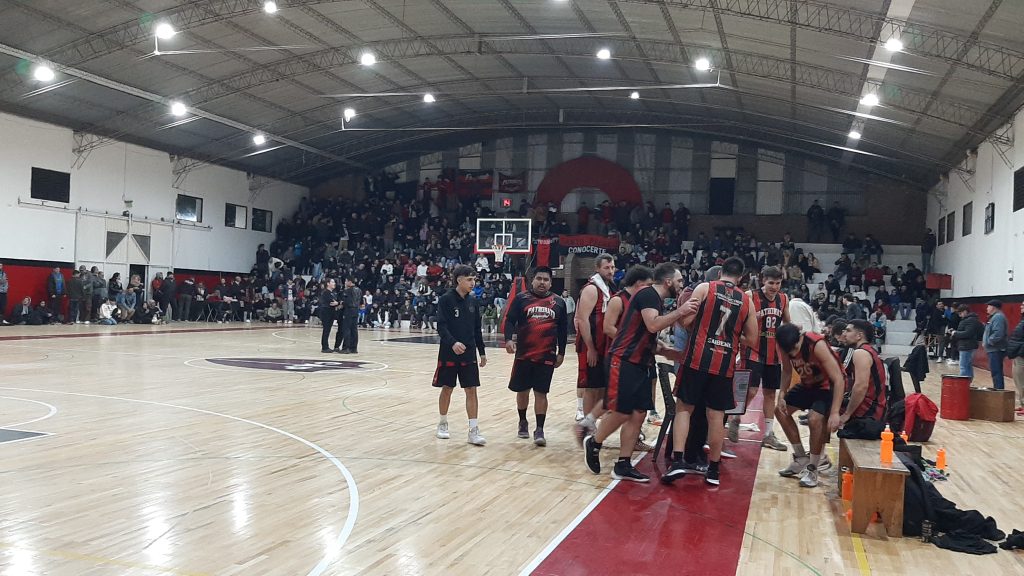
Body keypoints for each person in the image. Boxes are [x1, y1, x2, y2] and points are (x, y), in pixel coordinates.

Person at [584, 263, 696, 482]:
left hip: (642, 362)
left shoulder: (655, 299)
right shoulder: (648, 294)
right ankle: (594, 442)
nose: (682, 284)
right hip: (624, 360)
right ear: (668, 281)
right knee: (622, 411)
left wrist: (665, 350)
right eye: (679, 280)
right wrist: (681, 311)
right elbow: (653, 325)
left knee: (638, 414)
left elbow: (645, 333)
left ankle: (623, 464)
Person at [662, 257, 758, 487]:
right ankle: (713, 469)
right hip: (724, 363)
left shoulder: (705, 288)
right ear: (741, 277)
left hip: (697, 358)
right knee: (716, 417)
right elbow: (753, 339)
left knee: (684, 408)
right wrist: (732, 337)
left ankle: (678, 461)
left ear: (720, 272)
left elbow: (686, 321)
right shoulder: (747, 300)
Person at [774, 324, 846, 488]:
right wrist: (782, 395)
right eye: (789, 351)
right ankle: (801, 458)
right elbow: (786, 371)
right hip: (808, 384)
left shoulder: (816, 344)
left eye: (795, 349)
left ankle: (813, 467)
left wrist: (835, 412)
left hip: (827, 386)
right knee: (780, 411)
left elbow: (839, 379)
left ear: (799, 339)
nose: (793, 354)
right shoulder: (784, 345)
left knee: (815, 419)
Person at [728, 266, 790, 451]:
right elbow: (735, 322)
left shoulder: (783, 299)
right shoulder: (750, 296)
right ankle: (735, 417)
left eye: (778, 283)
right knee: (751, 390)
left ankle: (768, 435)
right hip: (752, 350)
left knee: (770, 393)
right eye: (771, 283)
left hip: (774, 353)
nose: (775, 287)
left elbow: (787, 323)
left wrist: (794, 331)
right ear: (763, 280)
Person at [503, 267, 567, 447]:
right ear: (532, 280)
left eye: (546, 280)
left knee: (541, 393)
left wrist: (561, 352)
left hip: (546, 355)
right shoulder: (521, 298)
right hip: (524, 354)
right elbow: (510, 320)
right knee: (522, 391)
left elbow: (563, 330)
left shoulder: (558, 302)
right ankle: (522, 421)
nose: (542, 282)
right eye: (539, 278)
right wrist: (508, 339)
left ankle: (539, 429)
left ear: (551, 283)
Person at [600, 265, 656, 451]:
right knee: (618, 406)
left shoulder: (645, 300)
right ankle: (593, 433)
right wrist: (633, 342)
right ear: (639, 283)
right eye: (649, 284)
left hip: (643, 357)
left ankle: (634, 439)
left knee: (639, 408)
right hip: (622, 357)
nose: (651, 288)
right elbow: (608, 327)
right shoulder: (618, 300)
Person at [434, 265, 489, 446]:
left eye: (474, 279)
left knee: (471, 389)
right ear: (459, 280)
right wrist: (453, 343)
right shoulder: (446, 300)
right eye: (469, 279)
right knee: (447, 388)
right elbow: (441, 326)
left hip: (469, 353)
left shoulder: (473, 302)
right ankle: (442, 423)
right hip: (449, 352)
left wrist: (482, 352)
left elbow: (477, 329)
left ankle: (473, 430)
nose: (473, 283)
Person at [573, 254, 616, 425]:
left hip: (604, 345)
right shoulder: (591, 289)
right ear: (597, 268)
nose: (610, 271)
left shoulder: (609, 288)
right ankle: (587, 424)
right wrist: (590, 348)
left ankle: (593, 423)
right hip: (591, 346)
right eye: (606, 268)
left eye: (612, 267)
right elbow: (582, 320)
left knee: (602, 387)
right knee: (591, 387)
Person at [837, 320, 888, 436]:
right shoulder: (869, 350)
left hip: (870, 411)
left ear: (859, 335)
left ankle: (818, 448)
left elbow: (861, 387)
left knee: (823, 408)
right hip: (875, 407)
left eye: (848, 330)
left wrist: (847, 414)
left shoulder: (861, 353)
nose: (844, 334)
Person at [951, 304, 983, 379]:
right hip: (970, 345)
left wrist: (955, 333)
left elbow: (968, 333)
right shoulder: (973, 320)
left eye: (960, 313)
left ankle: (963, 383)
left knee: (963, 366)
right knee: (968, 365)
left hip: (966, 346)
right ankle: (968, 382)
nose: (959, 315)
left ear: (965, 311)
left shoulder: (969, 320)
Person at [983, 300, 1008, 390]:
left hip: (996, 349)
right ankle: (998, 389)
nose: (987, 308)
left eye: (988, 306)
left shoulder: (998, 317)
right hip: (994, 349)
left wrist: (988, 342)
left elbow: (998, 333)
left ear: (993, 307)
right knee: (995, 371)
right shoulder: (994, 317)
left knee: (996, 372)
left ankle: (998, 391)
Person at [1008, 302, 1024, 414]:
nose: (1021, 306)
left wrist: (1020, 352)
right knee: (1018, 380)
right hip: (1017, 354)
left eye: (1023, 305)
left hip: (1021, 355)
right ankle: (1022, 404)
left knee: (1022, 381)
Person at [338, 278, 362, 353]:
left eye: (346, 281)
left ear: (350, 282)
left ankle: (346, 348)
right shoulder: (359, 290)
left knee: (346, 329)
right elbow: (361, 301)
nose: (345, 282)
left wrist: (341, 302)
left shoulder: (348, 290)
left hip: (349, 310)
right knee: (354, 329)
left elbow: (347, 302)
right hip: (356, 310)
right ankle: (354, 348)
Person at [318, 278, 342, 353]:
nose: (334, 283)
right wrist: (338, 303)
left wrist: (337, 303)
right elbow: (332, 302)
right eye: (332, 282)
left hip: (331, 313)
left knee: (328, 330)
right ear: (328, 284)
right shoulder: (326, 292)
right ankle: (324, 347)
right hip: (326, 313)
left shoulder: (333, 293)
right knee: (326, 330)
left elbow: (336, 302)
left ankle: (326, 346)